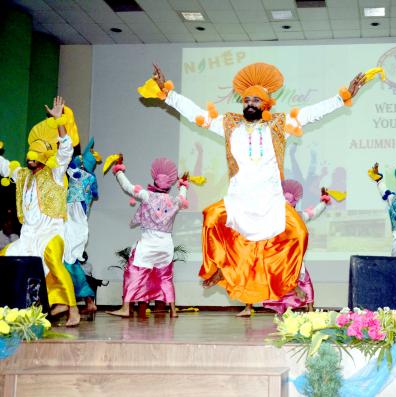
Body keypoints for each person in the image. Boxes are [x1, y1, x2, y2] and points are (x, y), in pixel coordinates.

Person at [144, 62, 367, 316]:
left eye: (256, 100)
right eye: (246, 99)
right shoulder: (228, 125)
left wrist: (343, 96)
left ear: (266, 104)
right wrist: (168, 93)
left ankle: (288, 281)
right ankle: (218, 267)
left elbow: (313, 112)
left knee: (299, 233)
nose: (250, 103)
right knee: (211, 217)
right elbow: (195, 114)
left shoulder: (280, 125)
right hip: (239, 201)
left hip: (270, 202)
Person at [0, 96, 80, 326]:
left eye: (35, 158)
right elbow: (5, 166)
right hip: (28, 235)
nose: (30, 161)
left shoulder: (55, 173)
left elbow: (65, 151)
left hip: (51, 232)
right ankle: (8, 308)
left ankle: (73, 309)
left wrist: (59, 122)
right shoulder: (23, 175)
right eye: (29, 157)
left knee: (53, 260)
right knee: (5, 256)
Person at [107, 156, 189, 318]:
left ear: (155, 181)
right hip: (166, 246)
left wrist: (118, 171)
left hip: (148, 245)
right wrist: (183, 184)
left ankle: (125, 307)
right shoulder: (175, 201)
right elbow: (182, 194)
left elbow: (128, 187)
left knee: (132, 271)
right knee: (165, 277)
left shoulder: (146, 196)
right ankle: (173, 311)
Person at [263, 181, 338, 314]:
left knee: (303, 281)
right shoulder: (276, 218)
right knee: (296, 282)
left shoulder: (298, 216)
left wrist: (323, 202)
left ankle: (309, 308)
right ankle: (307, 308)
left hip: (293, 259)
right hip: (282, 259)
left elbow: (313, 213)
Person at [64, 137, 101, 314]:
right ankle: (87, 300)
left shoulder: (80, 175)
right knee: (70, 263)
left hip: (73, 226)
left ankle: (67, 303)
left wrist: (66, 141)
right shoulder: (91, 178)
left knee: (67, 262)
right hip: (78, 227)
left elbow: (68, 162)